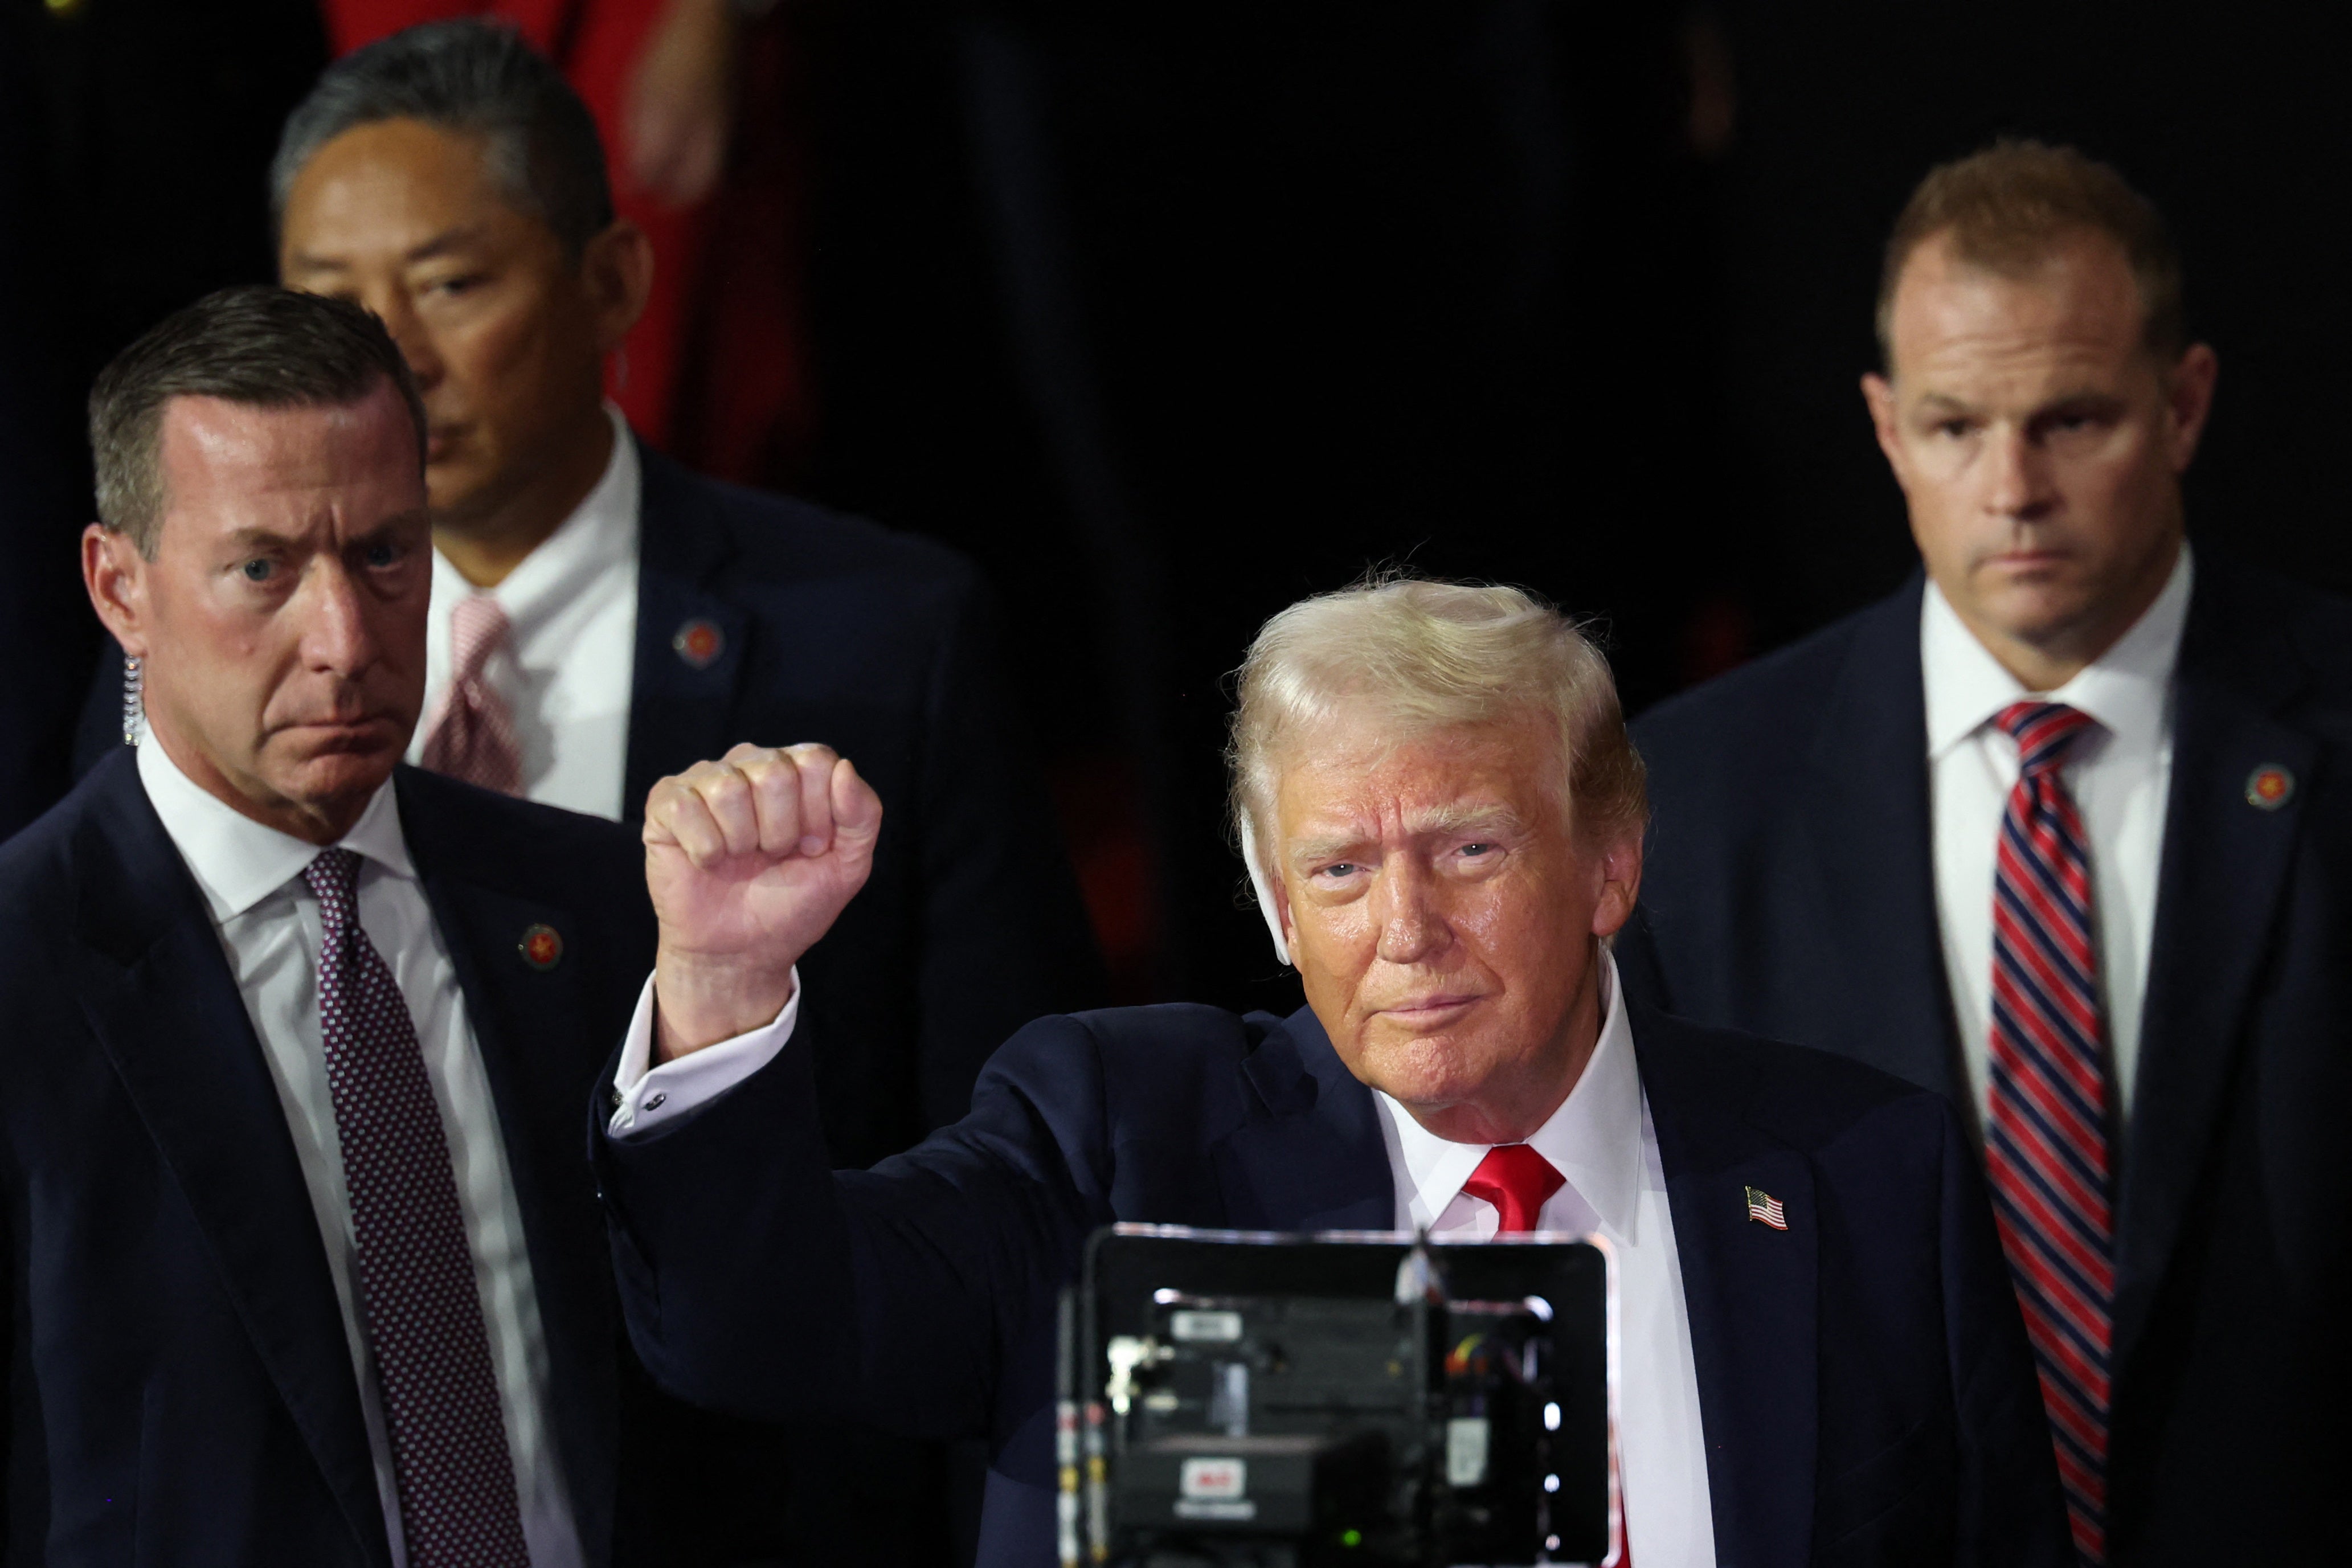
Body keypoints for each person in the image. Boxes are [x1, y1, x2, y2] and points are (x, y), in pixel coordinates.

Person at [590, 576, 2073, 1568]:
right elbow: (760, 1327)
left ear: (1611, 859)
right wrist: (720, 983)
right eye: (1341, 868)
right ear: (1277, 906)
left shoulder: (1868, 1174)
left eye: (1470, 849)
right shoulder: (1117, 1147)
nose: (1407, 930)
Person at [1617, 141, 2352, 1566]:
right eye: (1956, 427)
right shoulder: (1698, 803)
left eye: (2069, 420)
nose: (2011, 488)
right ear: (1885, 428)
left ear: (2184, 404)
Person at [1, 287, 672, 1563]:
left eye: (384, 554)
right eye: (262, 568)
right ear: (119, 588)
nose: (346, 640)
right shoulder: (26, 978)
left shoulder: (589, 906)